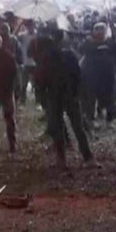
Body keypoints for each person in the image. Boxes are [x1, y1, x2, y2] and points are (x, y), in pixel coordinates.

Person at [36, 30, 94, 167]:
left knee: (58, 127)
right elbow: (78, 74)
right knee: (78, 127)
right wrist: (77, 91)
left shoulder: (45, 58)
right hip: (70, 93)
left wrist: (42, 96)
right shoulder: (69, 54)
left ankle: (61, 159)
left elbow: (41, 79)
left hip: (54, 95)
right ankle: (88, 157)